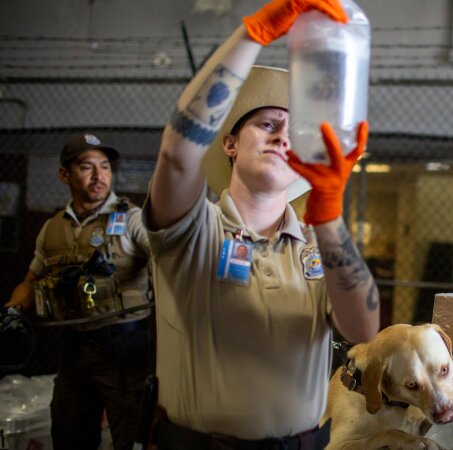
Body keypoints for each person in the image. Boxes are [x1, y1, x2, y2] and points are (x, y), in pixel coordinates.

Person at [142, 0, 380, 448]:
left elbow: (363, 330)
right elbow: (177, 152)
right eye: (267, 123)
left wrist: (327, 217)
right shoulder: (194, 232)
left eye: (293, 132)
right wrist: (251, 34)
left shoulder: (317, 247)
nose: (281, 136)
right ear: (229, 143)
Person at [4, 133, 154, 450]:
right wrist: (13, 310)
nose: (100, 176)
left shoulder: (131, 219)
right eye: (87, 167)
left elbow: (164, 257)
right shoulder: (52, 228)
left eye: (105, 167)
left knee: (132, 439)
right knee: (70, 435)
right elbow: (30, 280)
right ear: (65, 174)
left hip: (127, 346)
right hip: (74, 346)